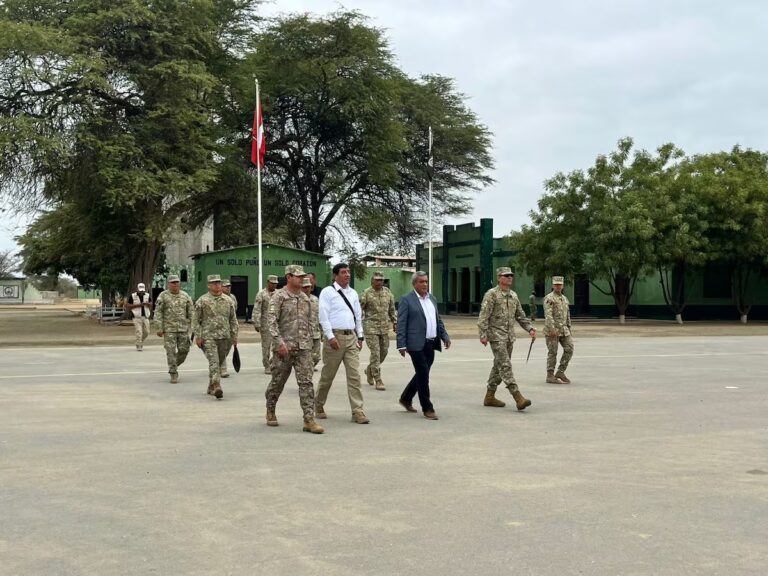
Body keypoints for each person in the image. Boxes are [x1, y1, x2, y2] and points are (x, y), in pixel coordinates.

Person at [264, 266, 323, 433]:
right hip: (284, 348)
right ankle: (270, 408)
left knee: (306, 383)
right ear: (289, 277)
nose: (302, 279)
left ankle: (309, 419)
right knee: (278, 382)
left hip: (304, 348)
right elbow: (271, 322)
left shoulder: (306, 298)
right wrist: (278, 343)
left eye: (303, 276)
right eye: (298, 276)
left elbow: (311, 323)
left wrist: (313, 343)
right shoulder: (278, 297)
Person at [315, 262, 369, 424]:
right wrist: (330, 336)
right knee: (328, 375)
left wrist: (360, 336)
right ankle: (318, 404)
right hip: (335, 338)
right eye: (344, 272)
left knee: (354, 376)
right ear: (335, 275)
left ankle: (357, 411)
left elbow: (358, 316)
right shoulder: (327, 292)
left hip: (351, 337)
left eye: (348, 272)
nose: (347, 275)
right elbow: (323, 315)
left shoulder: (353, 293)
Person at [477, 267, 536, 411]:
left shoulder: (513, 296)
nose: (510, 277)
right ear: (499, 278)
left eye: (511, 275)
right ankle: (518, 397)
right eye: (506, 275)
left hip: (509, 337)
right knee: (505, 366)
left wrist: (530, 328)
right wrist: (483, 334)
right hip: (496, 336)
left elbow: (520, 316)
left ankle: (489, 396)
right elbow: (483, 316)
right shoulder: (492, 294)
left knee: (498, 367)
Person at [396, 271, 451, 420]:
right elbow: (401, 323)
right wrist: (401, 344)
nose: (425, 284)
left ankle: (406, 398)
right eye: (421, 282)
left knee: (422, 373)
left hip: (430, 343)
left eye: (426, 281)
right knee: (423, 374)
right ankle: (427, 407)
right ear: (414, 284)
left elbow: (438, 320)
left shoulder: (432, 299)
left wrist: (444, 336)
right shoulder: (407, 300)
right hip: (415, 343)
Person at [192, 274, 238, 399]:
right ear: (208, 285)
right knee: (214, 361)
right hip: (208, 336)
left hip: (225, 337)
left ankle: (210, 385)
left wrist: (234, 335)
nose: (217, 285)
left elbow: (233, 319)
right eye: (214, 283)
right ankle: (217, 385)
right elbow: (195, 320)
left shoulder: (228, 301)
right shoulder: (202, 301)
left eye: (218, 283)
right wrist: (198, 336)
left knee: (219, 361)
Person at [360, 272, 397, 390]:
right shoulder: (366, 293)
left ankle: (370, 369)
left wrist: (395, 322)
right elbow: (359, 309)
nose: (379, 282)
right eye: (377, 280)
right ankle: (378, 379)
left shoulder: (388, 293)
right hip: (370, 327)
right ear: (372, 281)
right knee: (375, 353)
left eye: (381, 280)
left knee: (384, 352)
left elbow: (392, 309)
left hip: (384, 328)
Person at [154, 275, 193, 383]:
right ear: (168, 284)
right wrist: (159, 327)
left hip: (183, 328)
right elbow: (158, 313)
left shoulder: (185, 296)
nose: (175, 284)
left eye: (177, 282)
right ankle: (173, 373)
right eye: (173, 283)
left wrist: (193, 325)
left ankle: (174, 364)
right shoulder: (163, 296)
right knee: (170, 351)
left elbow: (191, 312)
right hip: (169, 329)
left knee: (185, 350)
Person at [544, 276, 574, 384]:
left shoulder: (564, 299)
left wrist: (569, 328)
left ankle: (560, 372)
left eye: (560, 284)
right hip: (553, 331)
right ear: (552, 285)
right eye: (556, 284)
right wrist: (552, 329)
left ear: (563, 285)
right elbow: (548, 315)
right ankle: (550, 375)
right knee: (553, 352)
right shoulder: (549, 298)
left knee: (569, 349)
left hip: (564, 330)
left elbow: (568, 315)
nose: (558, 286)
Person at [253, 275, 279, 374]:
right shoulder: (261, 294)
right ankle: (267, 365)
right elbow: (257, 309)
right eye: (272, 283)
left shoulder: (278, 294)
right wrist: (256, 323)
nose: (274, 285)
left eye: (275, 283)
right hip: (265, 324)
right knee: (266, 346)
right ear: (268, 282)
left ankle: (273, 362)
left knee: (277, 346)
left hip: (277, 323)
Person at [301, 276, 322, 370]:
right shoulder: (297, 299)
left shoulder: (315, 299)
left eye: (308, 287)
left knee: (317, 356)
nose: (306, 289)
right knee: (304, 355)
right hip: (303, 334)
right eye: (304, 287)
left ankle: (308, 367)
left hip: (315, 332)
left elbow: (320, 315)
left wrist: (322, 331)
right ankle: (306, 369)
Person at [220, 279, 238, 379]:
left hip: (230, 327)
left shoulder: (232, 298)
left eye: (229, 286)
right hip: (220, 327)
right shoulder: (217, 297)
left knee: (228, 347)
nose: (228, 288)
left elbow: (235, 310)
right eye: (226, 286)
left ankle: (218, 363)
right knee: (222, 347)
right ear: (221, 287)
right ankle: (223, 369)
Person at [127, 282, 152, 351]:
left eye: (143, 290)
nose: (141, 292)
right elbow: (128, 306)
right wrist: (139, 305)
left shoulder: (147, 295)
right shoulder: (132, 296)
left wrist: (147, 304)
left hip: (145, 316)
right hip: (136, 317)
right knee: (139, 332)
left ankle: (139, 342)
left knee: (147, 332)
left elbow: (151, 304)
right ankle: (139, 345)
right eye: (140, 290)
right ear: (137, 289)